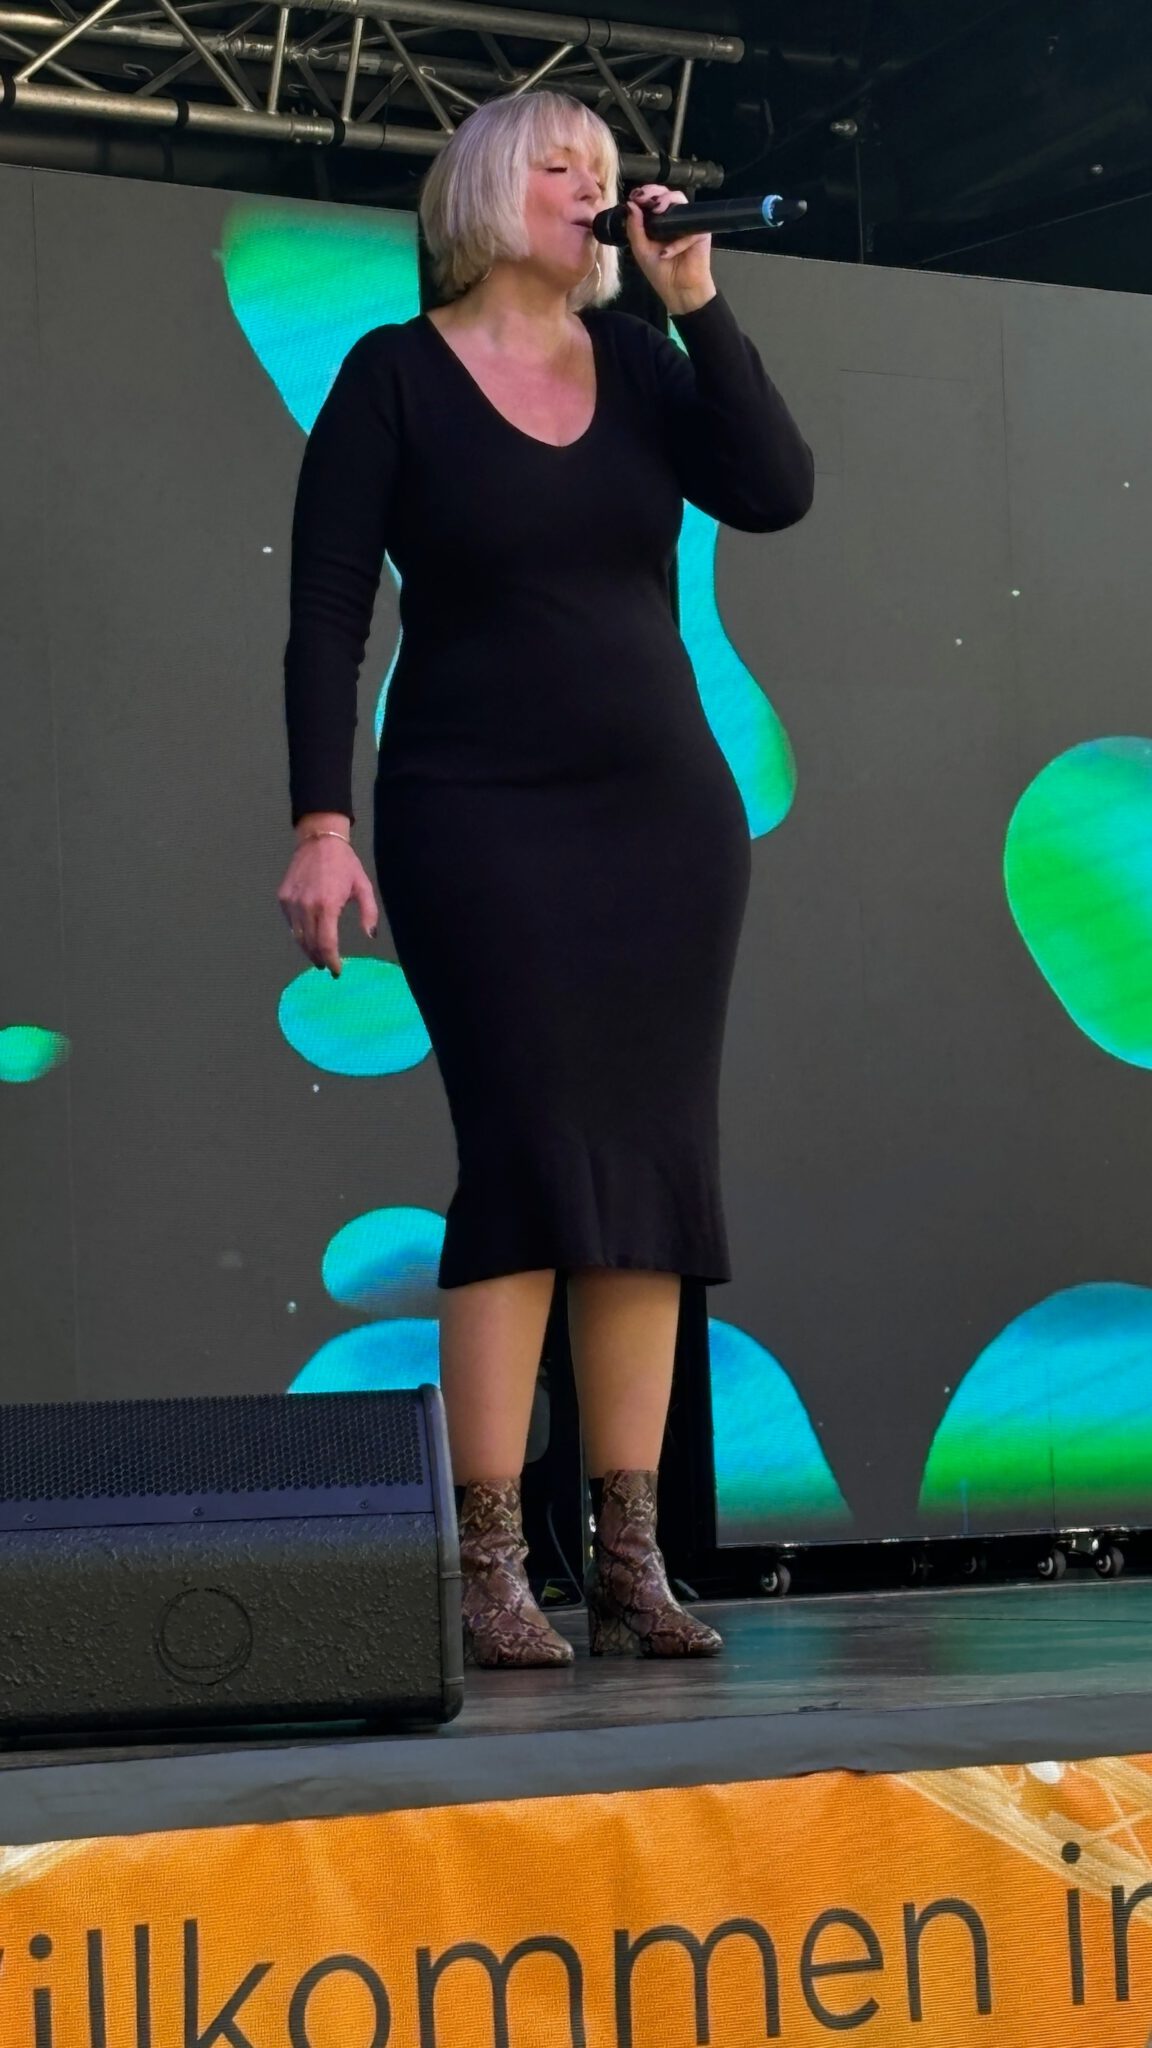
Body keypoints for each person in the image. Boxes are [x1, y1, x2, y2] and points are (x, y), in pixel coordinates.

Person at [277, 88, 814, 1669]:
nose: (594, 187)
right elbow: (325, 618)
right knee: (521, 1162)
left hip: (664, 816)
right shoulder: (392, 377)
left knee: (649, 1182)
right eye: (560, 165)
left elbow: (775, 485)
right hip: (478, 812)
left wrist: (696, 304)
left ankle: (631, 1562)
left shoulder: (642, 364)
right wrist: (321, 824)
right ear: (482, 193)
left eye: (606, 169)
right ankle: (491, 1560)